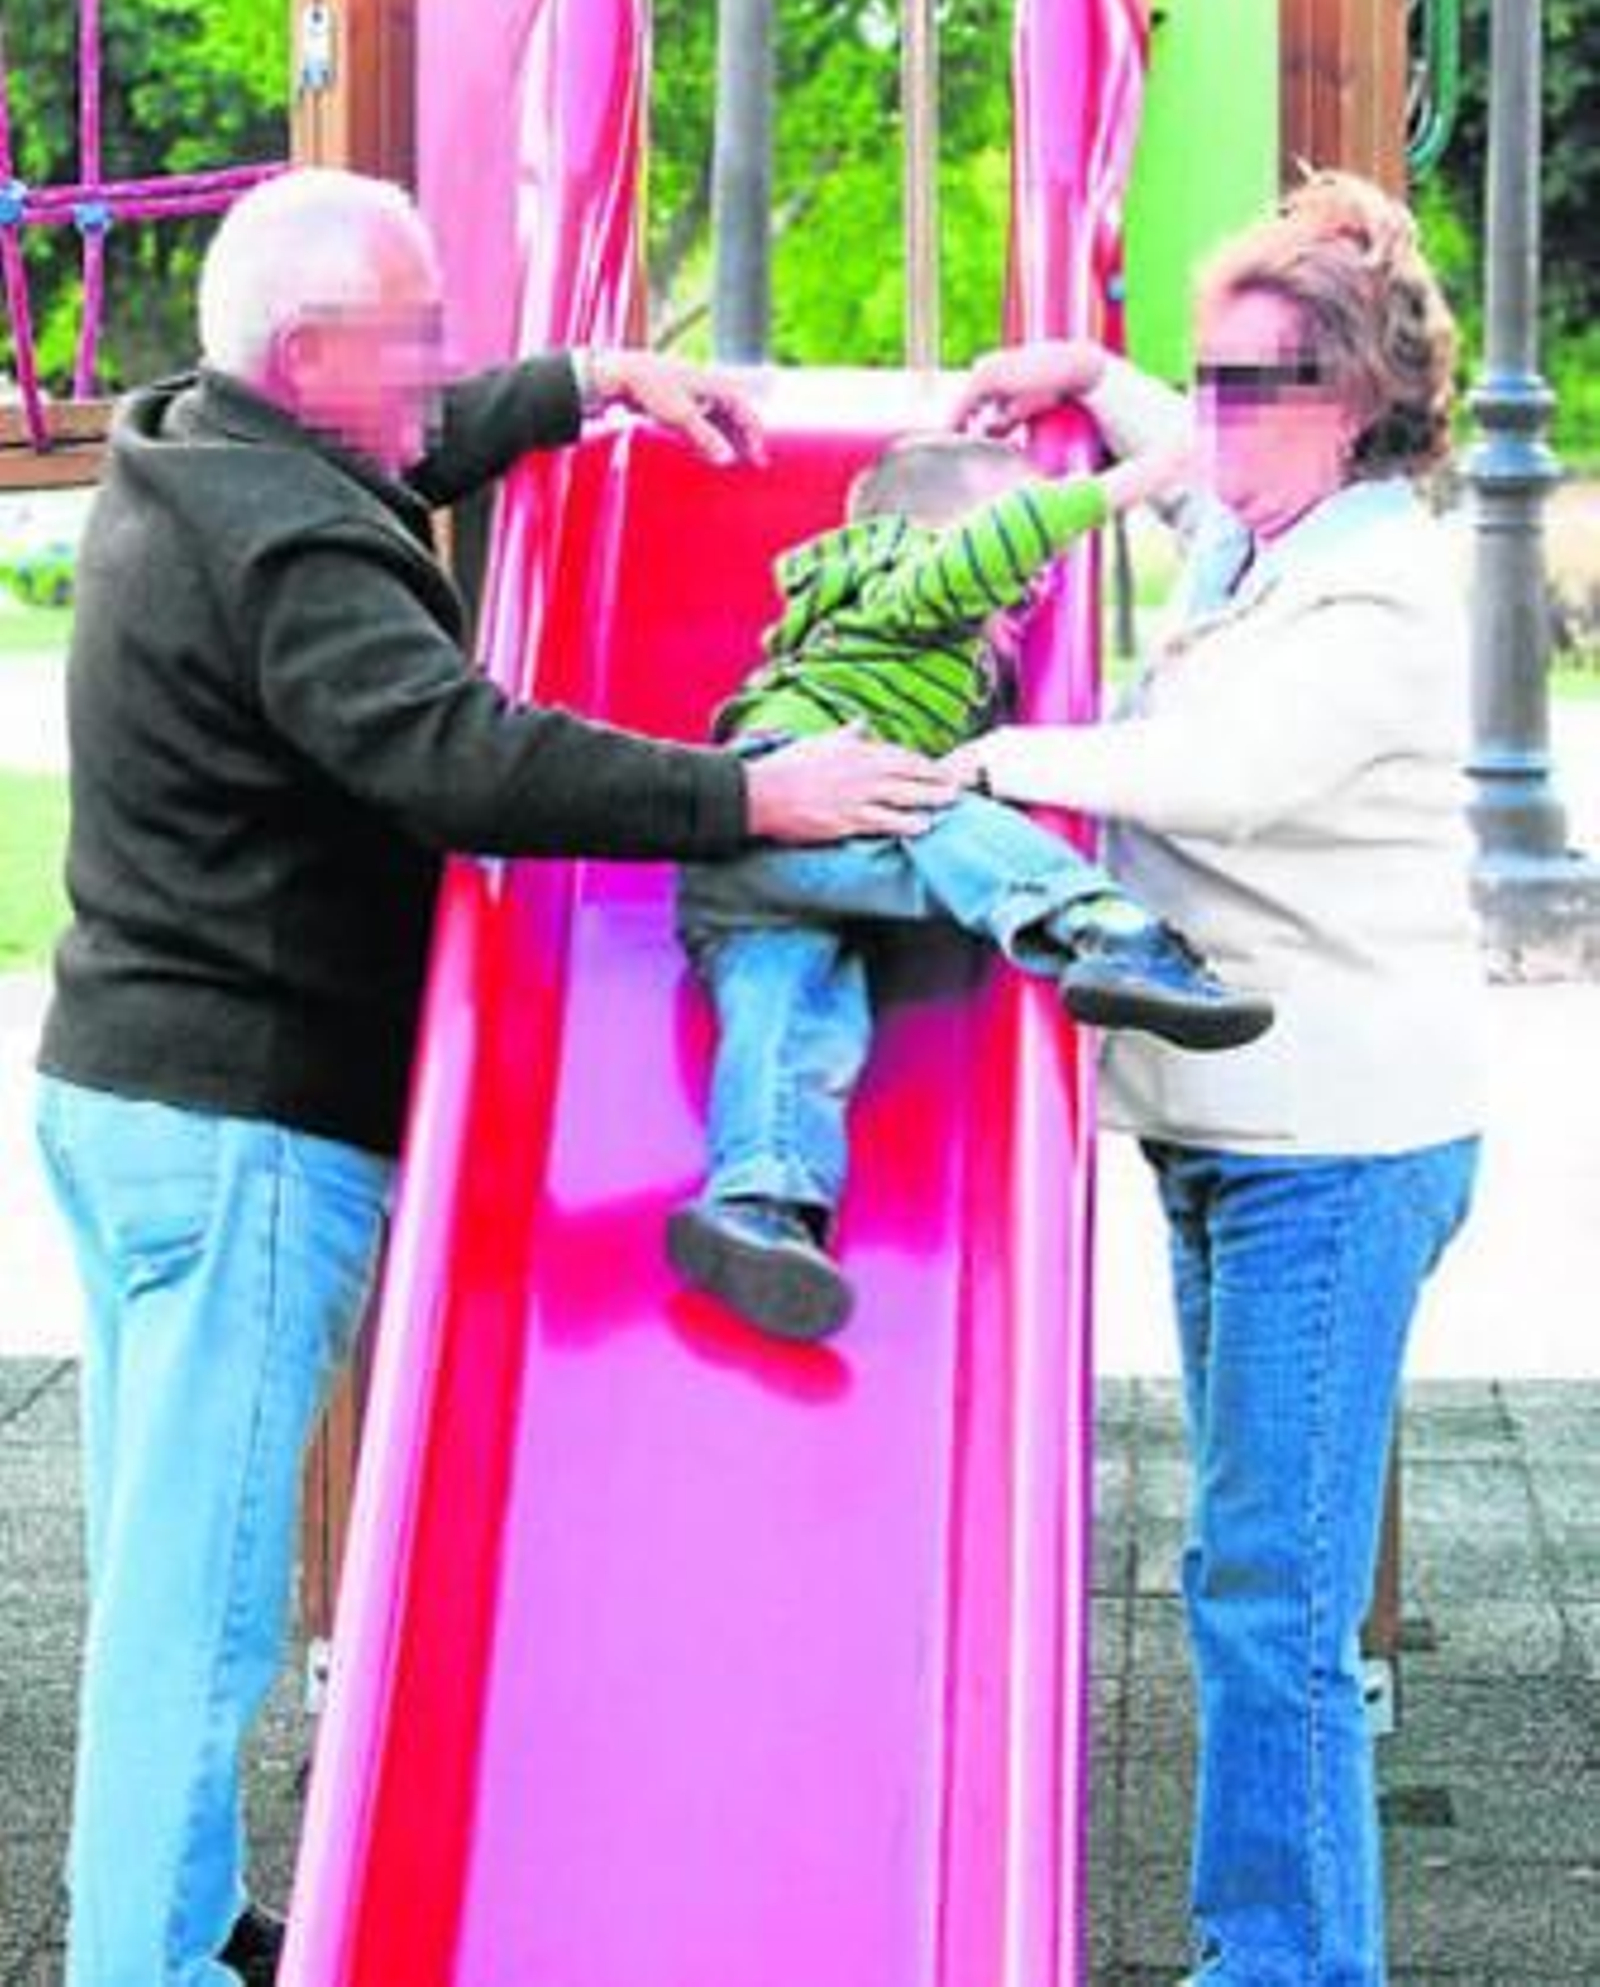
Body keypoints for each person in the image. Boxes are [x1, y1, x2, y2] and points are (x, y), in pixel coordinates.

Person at [31, 166, 958, 1987]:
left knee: (162, 1565)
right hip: (241, 1127)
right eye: (420, 334)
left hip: (127, 1091)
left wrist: (585, 381)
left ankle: (178, 1919)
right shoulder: (294, 554)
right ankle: (137, 1959)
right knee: (195, 1609)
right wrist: (750, 794)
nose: (446, 365)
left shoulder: (203, 448)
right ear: (312, 357)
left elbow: (399, 451)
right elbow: (462, 755)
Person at [951, 171, 1487, 1986]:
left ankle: (1291, 1964)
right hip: (1237, 1135)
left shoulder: (1380, 596)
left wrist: (989, 759)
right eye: (1211, 375)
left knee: (1270, 1592)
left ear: (1357, 404)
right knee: (1248, 1569)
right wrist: (1087, 376)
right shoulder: (1266, 534)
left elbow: (1223, 773)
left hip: (1333, 1148)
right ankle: (1274, 1951)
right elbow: (1180, 458)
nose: (1221, 412)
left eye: (1262, 383)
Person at [669, 431, 1273, 1343]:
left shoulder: (859, 640)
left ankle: (759, 1205)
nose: (1032, 593)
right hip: (795, 792)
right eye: (1021, 579)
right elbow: (978, 555)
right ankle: (1106, 929)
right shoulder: (903, 584)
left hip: (739, 882)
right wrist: (1126, 486)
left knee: (795, 1019)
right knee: (936, 813)